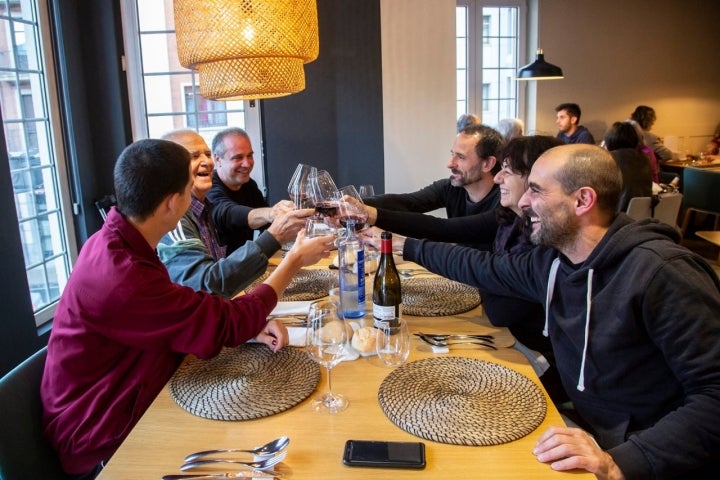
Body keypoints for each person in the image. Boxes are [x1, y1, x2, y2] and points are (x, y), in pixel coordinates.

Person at [387, 144, 720, 479]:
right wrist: (402, 245)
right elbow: (481, 267)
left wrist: (621, 461)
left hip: (649, 455)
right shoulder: (555, 262)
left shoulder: (663, 273)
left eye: (536, 190)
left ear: (583, 200)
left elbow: (714, 395)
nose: (523, 202)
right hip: (589, 431)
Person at [40, 139, 333, 479]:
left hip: (135, 395)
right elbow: (224, 322)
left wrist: (250, 324)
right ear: (172, 203)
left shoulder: (115, 239)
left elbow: (178, 307)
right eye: (188, 187)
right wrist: (293, 260)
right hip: (103, 438)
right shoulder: (124, 275)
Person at [362, 136, 569, 405]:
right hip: (513, 339)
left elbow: (498, 309)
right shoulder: (508, 219)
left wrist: (484, 273)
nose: (498, 179)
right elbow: (445, 231)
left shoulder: (545, 243)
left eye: (507, 171)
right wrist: (374, 216)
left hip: (536, 356)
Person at [158, 129, 314, 297]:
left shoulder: (204, 207)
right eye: (194, 156)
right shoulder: (175, 220)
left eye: (207, 154)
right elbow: (205, 287)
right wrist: (273, 226)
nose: (206, 162)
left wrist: (312, 217)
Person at [364, 124, 504, 248]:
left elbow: (444, 229)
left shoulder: (504, 203)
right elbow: (408, 202)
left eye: (461, 157)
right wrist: (355, 204)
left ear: (488, 164)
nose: (450, 164)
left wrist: (370, 214)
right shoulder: (451, 188)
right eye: (452, 154)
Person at [207, 127, 302, 254]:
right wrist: (271, 213)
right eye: (238, 157)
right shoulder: (209, 186)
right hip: (222, 270)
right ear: (217, 159)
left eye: (250, 155)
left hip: (245, 266)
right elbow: (227, 214)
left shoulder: (248, 185)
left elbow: (267, 225)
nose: (247, 164)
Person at [603, 121, 653, 211]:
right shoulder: (644, 158)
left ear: (609, 140)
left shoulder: (609, 159)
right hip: (642, 214)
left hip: (617, 216)